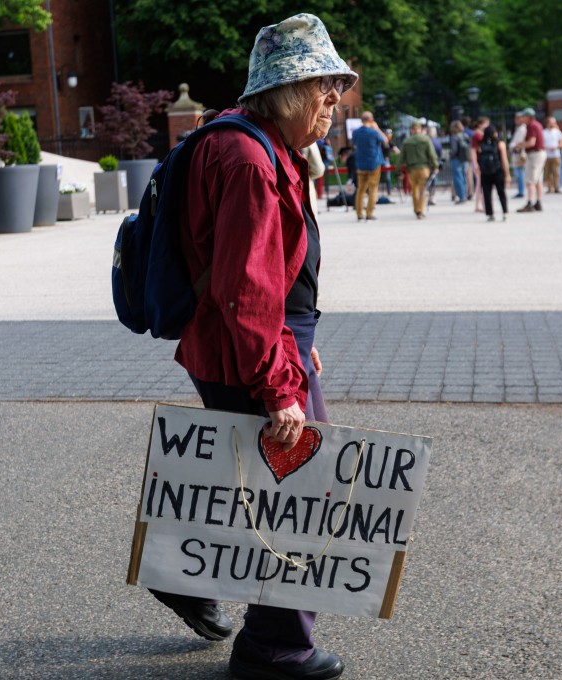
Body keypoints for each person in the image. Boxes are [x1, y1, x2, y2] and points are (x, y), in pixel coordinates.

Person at [157, 13, 356, 680]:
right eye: (324, 85)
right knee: (308, 487)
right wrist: (281, 386)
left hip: (255, 343)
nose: (335, 98)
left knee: (253, 475)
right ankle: (275, 649)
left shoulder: (251, 144)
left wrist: (304, 340)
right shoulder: (247, 158)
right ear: (290, 89)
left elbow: (269, 269)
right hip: (249, 350)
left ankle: (183, 566)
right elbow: (245, 289)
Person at [352, 111, 387, 220]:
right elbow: (385, 140)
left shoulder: (356, 132)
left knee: (360, 189)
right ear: (371, 120)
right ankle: (369, 213)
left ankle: (359, 214)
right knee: (373, 189)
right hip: (374, 164)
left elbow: (354, 144)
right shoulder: (373, 132)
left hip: (361, 164)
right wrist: (377, 128)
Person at [401, 121, 439, 219]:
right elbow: (432, 154)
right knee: (423, 189)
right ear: (420, 129)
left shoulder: (407, 141)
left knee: (415, 190)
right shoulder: (426, 139)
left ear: (412, 130)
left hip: (411, 169)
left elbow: (402, 158)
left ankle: (416, 209)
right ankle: (420, 210)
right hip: (423, 168)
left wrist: (399, 171)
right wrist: (436, 166)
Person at [477, 123, 510, 222]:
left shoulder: (481, 144)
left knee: (487, 193)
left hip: (485, 172)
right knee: (501, 192)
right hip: (497, 171)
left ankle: (490, 214)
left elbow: (478, 159)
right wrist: (507, 174)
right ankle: (505, 212)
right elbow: (504, 160)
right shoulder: (500, 144)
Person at [517, 108, 545, 213]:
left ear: (528, 117)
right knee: (537, 180)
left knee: (530, 180)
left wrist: (520, 145)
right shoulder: (536, 124)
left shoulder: (532, 126)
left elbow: (532, 142)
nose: (521, 118)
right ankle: (538, 202)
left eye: (523, 116)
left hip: (535, 154)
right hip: (539, 154)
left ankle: (529, 203)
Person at [470, 116, 490, 213]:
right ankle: (481, 204)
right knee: (482, 184)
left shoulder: (480, 134)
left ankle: (479, 205)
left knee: (480, 184)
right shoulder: (477, 136)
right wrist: (475, 163)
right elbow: (473, 150)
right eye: (485, 123)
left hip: (481, 161)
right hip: (480, 161)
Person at [448, 120, 470, 204]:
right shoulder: (465, 135)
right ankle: (464, 194)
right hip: (464, 158)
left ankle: (461, 197)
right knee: (463, 177)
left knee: (458, 178)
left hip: (456, 159)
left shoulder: (454, 137)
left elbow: (454, 149)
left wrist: (450, 154)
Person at [542, 116, 562, 194]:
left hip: (556, 154)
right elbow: (541, 144)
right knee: (548, 173)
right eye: (552, 122)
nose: (553, 124)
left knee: (556, 172)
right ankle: (549, 188)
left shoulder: (557, 132)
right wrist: (547, 148)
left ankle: (557, 187)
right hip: (547, 155)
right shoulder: (543, 132)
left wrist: (557, 147)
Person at [508, 113, 527, 199]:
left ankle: (521, 191)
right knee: (519, 172)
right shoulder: (519, 128)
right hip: (517, 152)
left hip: (519, 153)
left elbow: (518, 142)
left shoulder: (522, 129)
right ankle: (520, 190)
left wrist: (512, 146)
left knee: (520, 173)